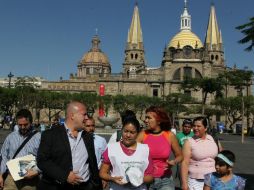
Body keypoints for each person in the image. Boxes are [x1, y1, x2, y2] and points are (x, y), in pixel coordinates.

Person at [37, 101, 102, 190]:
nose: (87, 118)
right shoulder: (50, 135)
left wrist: (96, 185)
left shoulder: (88, 137)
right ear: (72, 115)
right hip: (58, 186)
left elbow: (93, 164)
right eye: (84, 114)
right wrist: (65, 176)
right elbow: (42, 161)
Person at [100, 117, 154, 189]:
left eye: (132, 132)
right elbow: (102, 173)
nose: (128, 135)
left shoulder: (144, 150)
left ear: (138, 133)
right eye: (126, 131)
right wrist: (113, 179)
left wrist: (136, 179)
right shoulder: (111, 148)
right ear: (121, 130)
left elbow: (150, 177)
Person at [137, 106, 183, 190]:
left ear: (158, 120)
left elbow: (180, 156)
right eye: (146, 118)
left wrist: (174, 161)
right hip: (147, 179)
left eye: (149, 118)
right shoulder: (142, 135)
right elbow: (132, 153)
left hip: (166, 179)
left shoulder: (169, 135)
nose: (145, 120)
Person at [0, 109, 41, 190]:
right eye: (20, 125)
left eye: (25, 125)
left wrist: (37, 171)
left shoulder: (39, 138)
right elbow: (4, 156)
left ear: (31, 122)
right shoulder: (10, 137)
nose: (22, 127)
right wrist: (0, 174)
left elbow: (45, 159)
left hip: (30, 181)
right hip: (11, 179)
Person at [181, 116, 221, 190]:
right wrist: (184, 183)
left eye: (198, 126)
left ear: (205, 128)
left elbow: (221, 156)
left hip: (214, 179)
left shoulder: (213, 139)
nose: (195, 128)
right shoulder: (189, 142)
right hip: (196, 181)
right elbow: (185, 163)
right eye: (194, 126)